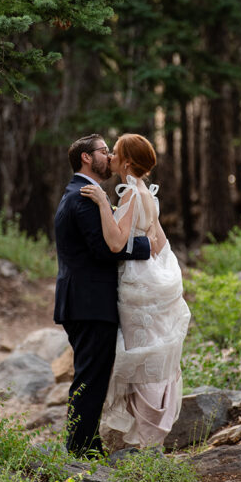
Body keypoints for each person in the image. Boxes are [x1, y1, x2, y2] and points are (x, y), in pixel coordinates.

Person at [79, 133, 190, 450]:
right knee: (150, 354)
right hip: (152, 280)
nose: (110, 157)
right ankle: (149, 436)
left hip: (137, 287)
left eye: (114, 153)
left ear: (126, 162)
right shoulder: (147, 193)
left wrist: (102, 202)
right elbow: (157, 243)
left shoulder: (129, 193)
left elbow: (115, 243)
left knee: (139, 357)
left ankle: (143, 438)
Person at [54, 133, 152, 457]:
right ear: (86, 157)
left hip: (87, 302)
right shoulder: (82, 197)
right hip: (89, 303)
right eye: (103, 151)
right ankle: (80, 451)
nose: (108, 156)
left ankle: (87, 444)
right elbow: (103, 248)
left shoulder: (85, 194)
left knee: (93, 377)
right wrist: (147, 247)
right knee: (89, 378)